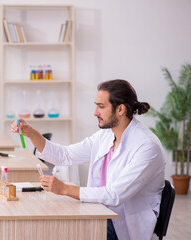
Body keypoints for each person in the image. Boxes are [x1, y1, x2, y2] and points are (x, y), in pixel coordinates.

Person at [11, 79, 166, 240]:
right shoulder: (106, 135)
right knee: (48, 221)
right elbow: (66, 155)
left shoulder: (147, 146)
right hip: (99, 212)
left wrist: (65, 189)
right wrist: (31, 133)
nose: (95, 112)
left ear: (120, 109)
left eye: (101, 106)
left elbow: (115, 195)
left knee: (58, 230)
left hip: (123, 227)